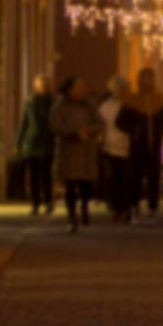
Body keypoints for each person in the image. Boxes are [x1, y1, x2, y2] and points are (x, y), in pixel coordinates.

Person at [49, 75, 101, 232]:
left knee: (86, 184)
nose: (81, 90)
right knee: (70, 185)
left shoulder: (89, 105)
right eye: (78, 87)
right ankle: (72, 216)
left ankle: (85, 208)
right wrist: (74, 133)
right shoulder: (60, 106)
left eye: (83, 87)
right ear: (70, 90)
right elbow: (55, 125)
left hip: (86, 151)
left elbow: (99, 122)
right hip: (69, 150)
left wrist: (90, 131)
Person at [123, 68, 163, 223]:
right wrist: (134, 130)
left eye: (151, 78)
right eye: (146, 78)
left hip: (154, 144)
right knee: (135, 178)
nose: (148, 81)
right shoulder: (133, 99)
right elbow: (121, 121)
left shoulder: (159, 99)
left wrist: (160, 131)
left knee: (153, 178)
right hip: (137, 144)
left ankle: (152, 209)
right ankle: (134, 208)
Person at [15, 74, 56, 216]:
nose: (43, 86)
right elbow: (24, 123)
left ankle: (49, 202)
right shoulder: (30, 102)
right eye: (41, 84)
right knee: (33, 176)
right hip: (32, 143)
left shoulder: (54, 101)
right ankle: (35, 204)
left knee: (46, 175)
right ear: (36, 85)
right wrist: (18, 143)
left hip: (48, 142)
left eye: (46, 84)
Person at [99, 75, 133, 223]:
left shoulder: (132, 105)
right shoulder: (106, 106)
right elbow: (102, 126)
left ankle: (126, 208)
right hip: (111, 147)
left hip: (129, 147)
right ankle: (117, 207)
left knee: (127, 180)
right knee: (114, 179)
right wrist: (101, 142)